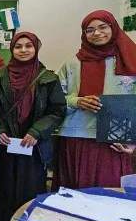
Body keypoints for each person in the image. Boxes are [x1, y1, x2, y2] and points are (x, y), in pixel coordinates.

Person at [0, 32, 66, 221]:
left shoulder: (49, 78)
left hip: (34, 146)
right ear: (12, 49)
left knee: (30, 187)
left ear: (36, 48)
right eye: (18, 46)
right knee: (3, 185)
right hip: (5, 144)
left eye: (28, 46)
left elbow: (57, 110)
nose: (23, 50)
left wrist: (36, 131)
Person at [53, 10, 136, 190]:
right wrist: (77, 101)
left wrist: (133, 142)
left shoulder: (131, 60)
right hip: (75, 138)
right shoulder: (72, 64)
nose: (96, 33)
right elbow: (55, 101)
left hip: (115, 140)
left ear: (113, 28)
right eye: (89, 30)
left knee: (109, 197)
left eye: (103, 27)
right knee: (74, 195)